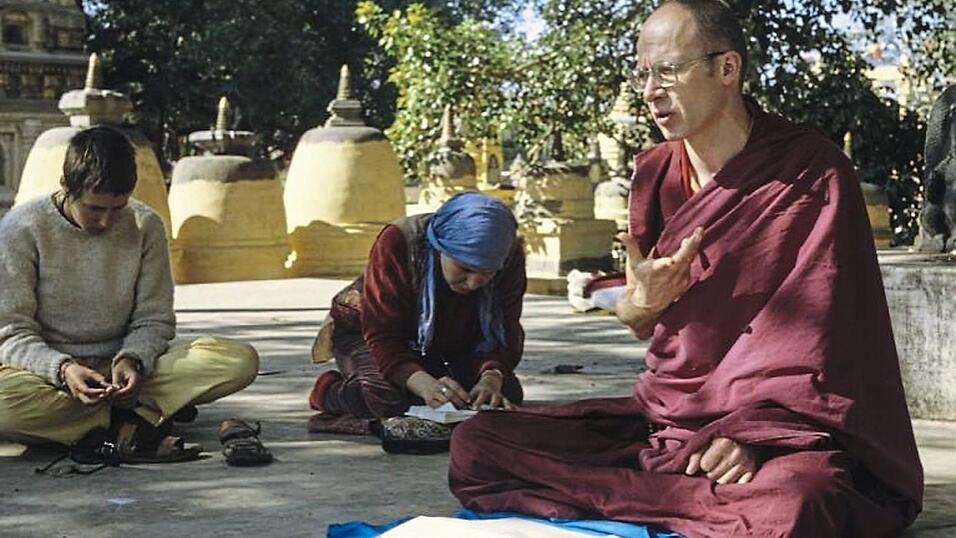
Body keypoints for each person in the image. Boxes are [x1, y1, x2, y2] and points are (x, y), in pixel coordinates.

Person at [447, 1, 923, 536]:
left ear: (727, 69)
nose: (650, 91)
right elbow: (639, 317)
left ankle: (666, 497)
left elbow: (831, 336)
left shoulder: (811, 172)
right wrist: (641, 302)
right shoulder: (654, 173)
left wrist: (759, 432)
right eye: (643, 74)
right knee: (475, 444)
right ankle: (689, 501)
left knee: (799, 503)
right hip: (668, 420)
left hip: (780, 426)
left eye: (668, 71)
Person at [0, 126, 260, 462]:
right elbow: (10, 333)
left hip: (126, 368)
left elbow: (155, 320)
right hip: (47, 374)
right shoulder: (21, 229)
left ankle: (99, 421)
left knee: (238, 360)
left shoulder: (145, 224)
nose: (107, 222)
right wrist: (63, 369)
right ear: (66, 186)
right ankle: (141, 417)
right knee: (5, 407)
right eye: (95, 209)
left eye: (117, 208)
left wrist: (132, 359)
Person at [308, 191, 525, 427]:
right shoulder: (399, 241)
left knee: (504, 395)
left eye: (488, 273)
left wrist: (491, 377)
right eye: (464, 268)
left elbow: (506, 328)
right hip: (367, 333)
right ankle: (329, 391)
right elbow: (382, 334)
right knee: (385, 398)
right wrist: (424, 385)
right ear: (441, 247)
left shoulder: (507, 254)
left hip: (446, 341)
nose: (474, 283)